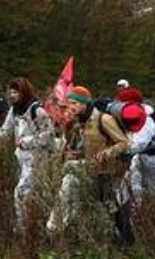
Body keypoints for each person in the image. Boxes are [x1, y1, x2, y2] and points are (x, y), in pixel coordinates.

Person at [47, 85, 131, 241]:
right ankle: (57, 232)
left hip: (105, 171)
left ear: (84, 103)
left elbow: (123, 142)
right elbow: (87, 146)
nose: (70, 107)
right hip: (88, 168)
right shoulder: (80, 122)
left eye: (74, 103)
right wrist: (76, 153)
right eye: (69, 103)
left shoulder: (103, 119)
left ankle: (127, 239)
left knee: (110, 205)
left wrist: (105, 154)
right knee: (74, 188)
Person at [0, 76, 54, 230]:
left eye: (16, 92)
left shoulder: (36, 110)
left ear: (24, 92)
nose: (12, 95)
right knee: (38, 193)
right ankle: (41, 225)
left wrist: (27, 141)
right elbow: (5, 130)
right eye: (11, 92)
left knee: (21, 192)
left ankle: (22, 229)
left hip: (37, 158)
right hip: (21, 158)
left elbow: (49, 135)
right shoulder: (14, 110)